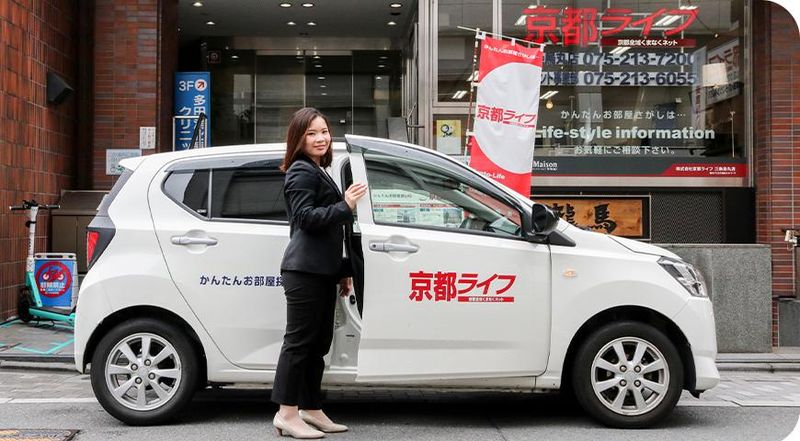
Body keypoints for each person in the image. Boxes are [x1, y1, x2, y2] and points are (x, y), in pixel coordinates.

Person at [271, 107, 367, 439]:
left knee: (318, 344)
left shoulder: (317, 169)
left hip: (321, 271)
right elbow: (306, 219)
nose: (320, 138)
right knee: (298, 344)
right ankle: (286, 412)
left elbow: (328, 233)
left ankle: (311, 408)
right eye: (311, 133)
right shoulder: (300, 170)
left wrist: (341, 271)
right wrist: (346, 205)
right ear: (298, 139)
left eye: (324, 131)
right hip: (304, 272)